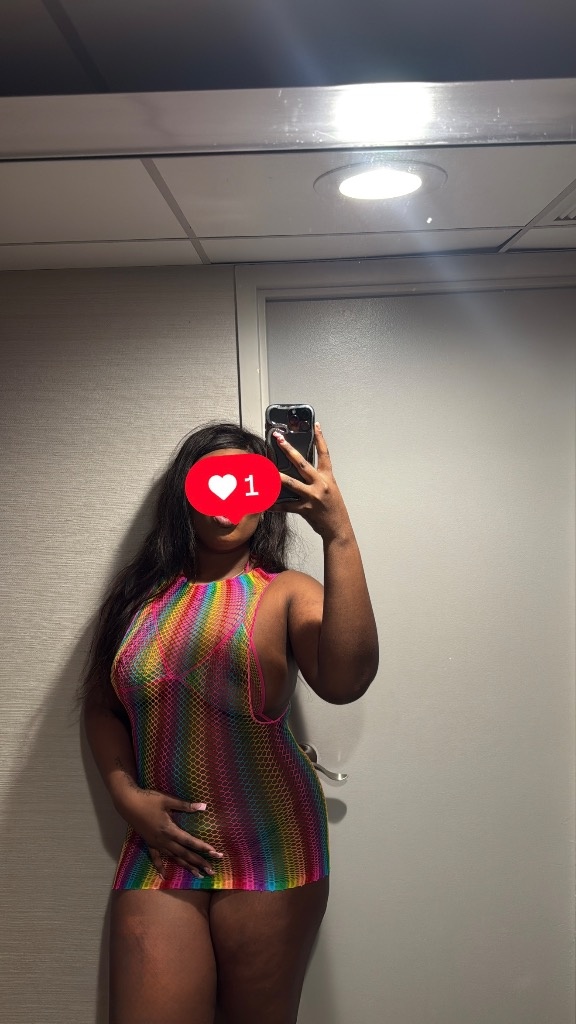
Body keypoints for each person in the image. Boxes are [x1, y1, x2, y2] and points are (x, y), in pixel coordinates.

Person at [79, 419, 379, 1024]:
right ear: (184, 494)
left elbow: (347, 681)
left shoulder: (286, 592)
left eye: (246, 484)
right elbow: (103, 706)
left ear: (267, 497)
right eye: (211, 482)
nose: (226, 502)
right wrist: (126, 796)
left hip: (271, 841)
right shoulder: (137, 599)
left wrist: (337, 533)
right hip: (161, 846)